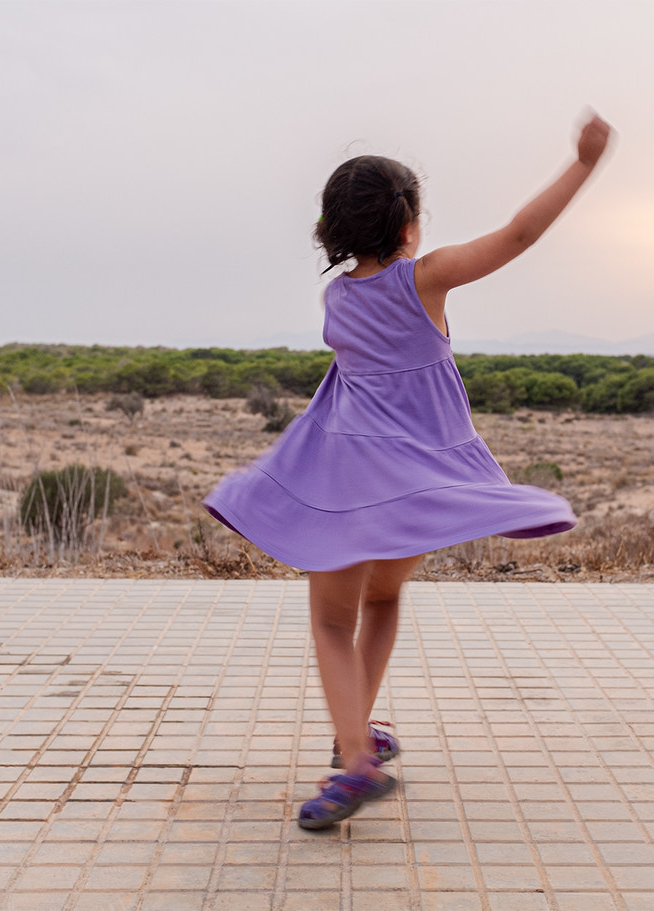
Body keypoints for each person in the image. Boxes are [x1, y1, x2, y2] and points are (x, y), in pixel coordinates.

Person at [204, 112, 612, 829]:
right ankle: (354, 732)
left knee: (333, 620)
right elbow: (518, 236)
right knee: (384, 599)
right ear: (409, 225)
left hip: (345, 486)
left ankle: (356, 757)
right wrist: (581, 164)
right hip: (411, 488)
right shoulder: (425, 281)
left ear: (333, 229)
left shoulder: (336, 300)